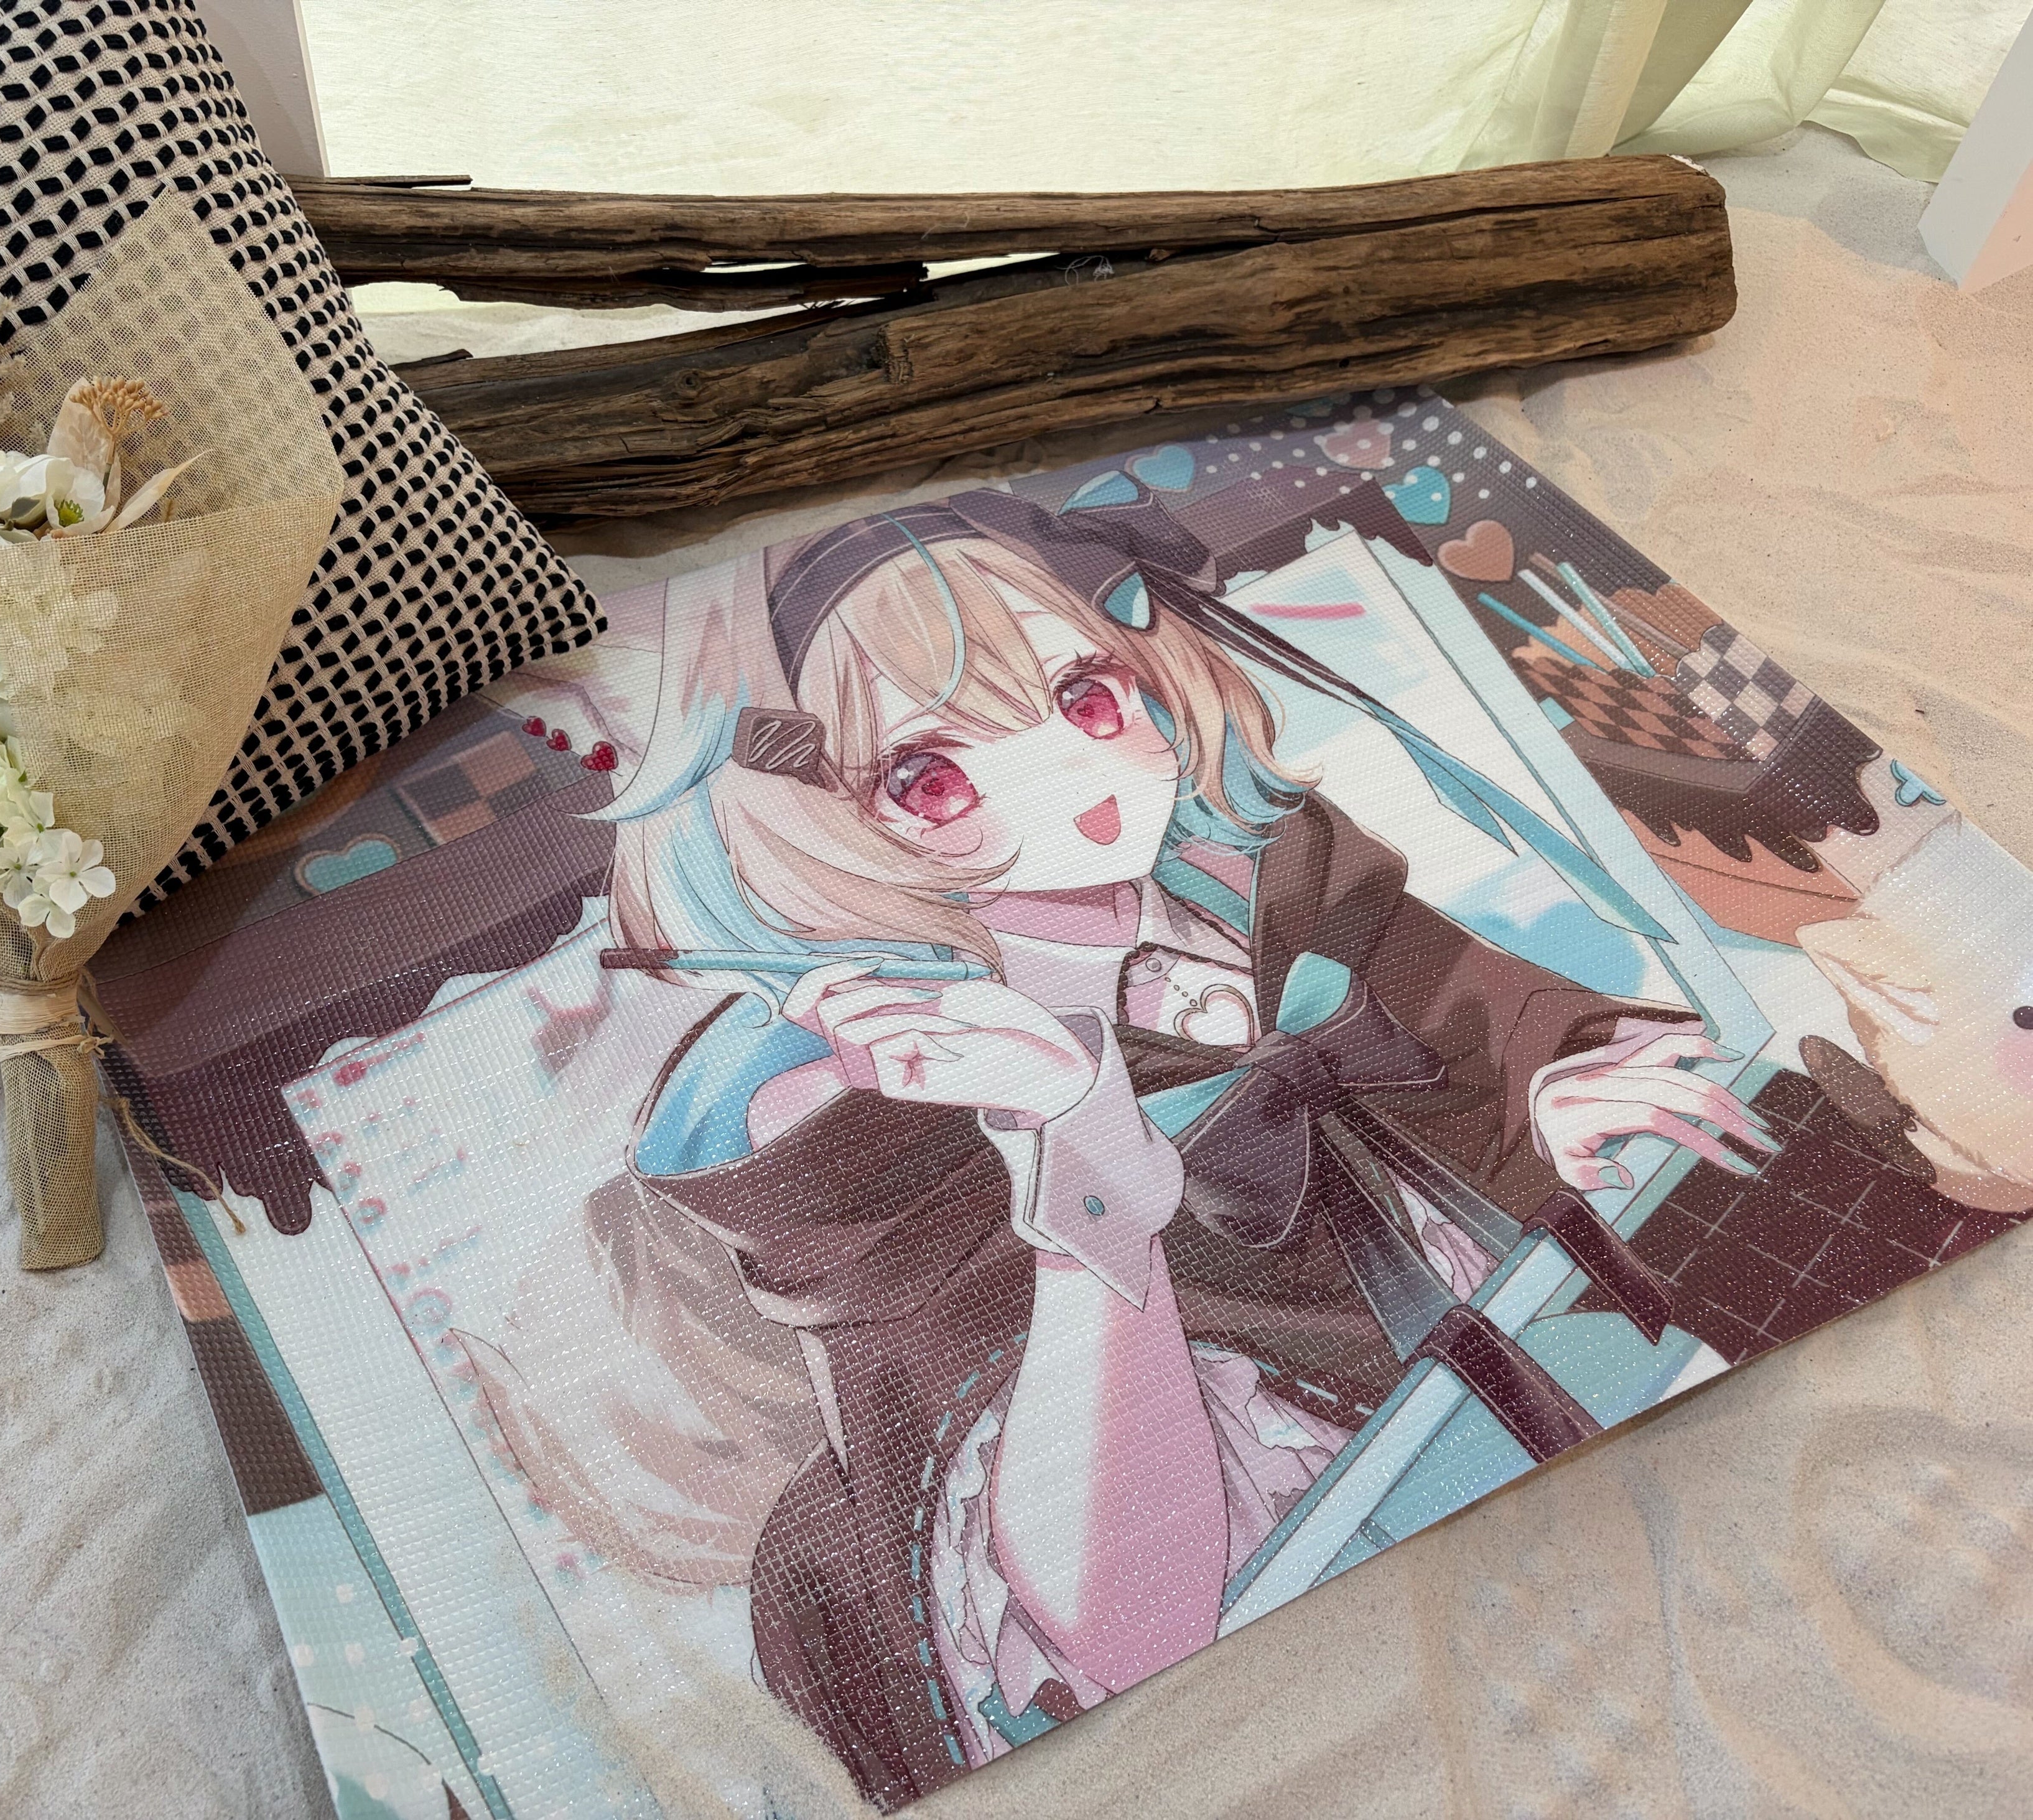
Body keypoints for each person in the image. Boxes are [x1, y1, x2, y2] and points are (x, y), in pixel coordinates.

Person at [601, 489, 1774, 1804]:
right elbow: (1123, 1628)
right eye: (932, 776)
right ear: (812, 826)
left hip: (1535, 1400)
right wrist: (1078, 1142)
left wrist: (1552, 1088)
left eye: (1086, 697)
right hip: (1277, 1552)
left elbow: (1473, 1011)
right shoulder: (877, 1117)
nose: (1068, 774)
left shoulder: (1266, 879)